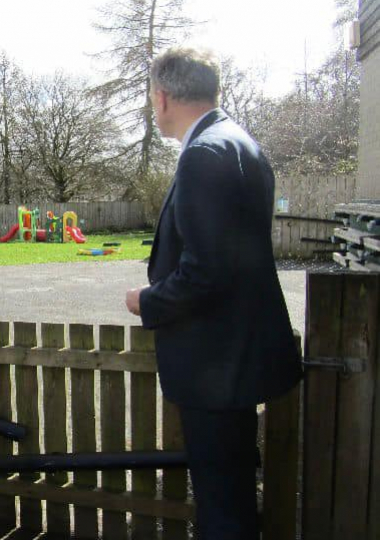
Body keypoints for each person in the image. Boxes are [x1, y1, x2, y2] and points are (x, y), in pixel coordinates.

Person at [124, 48, 302, 539]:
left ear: (162, 97)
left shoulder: (203, 155)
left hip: (216, 367)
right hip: (237, 361)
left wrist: (148, 300)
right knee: (235, 496)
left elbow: (207, 272)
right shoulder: (242, 143)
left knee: (223, 507)